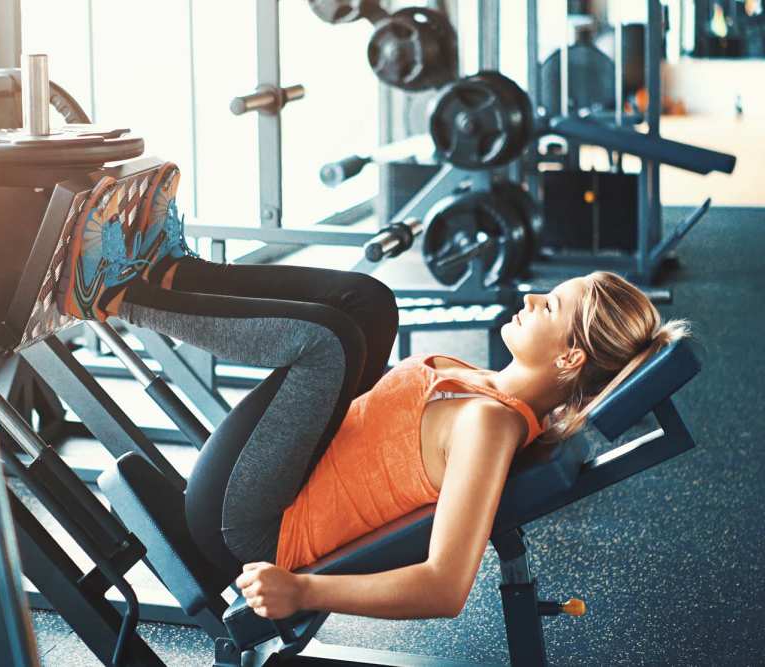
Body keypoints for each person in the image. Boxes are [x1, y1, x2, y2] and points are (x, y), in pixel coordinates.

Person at [56, 164, 689, 622]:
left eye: (548, 305)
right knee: (368, 302)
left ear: (571, 355)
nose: (528, 298)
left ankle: (117, 298)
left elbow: (445, 587)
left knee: (326, 344)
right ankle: (170, 270)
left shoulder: (490, 427)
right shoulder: (483, 386)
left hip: (253, 528)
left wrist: (303, 592)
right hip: (297, 476)